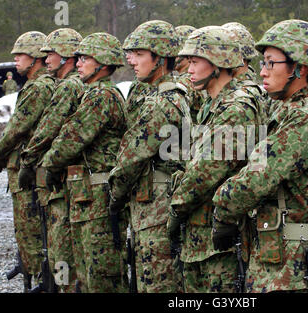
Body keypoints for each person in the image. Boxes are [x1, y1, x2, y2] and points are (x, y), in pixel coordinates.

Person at [211, 19, 308, 293]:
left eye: (272, 63)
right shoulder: (290, 110)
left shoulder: (305, 117)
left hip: (295, 265)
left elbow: (257, 178)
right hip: (283, 259)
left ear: (299, 67)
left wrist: (222, 206)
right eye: (263, 63)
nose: (263, 72)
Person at [167, 25, 262, 293]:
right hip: (200, 236)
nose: (189, 69)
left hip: (220, 241)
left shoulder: (236, 108)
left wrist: (175, 209)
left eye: (196, 62)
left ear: (219, 63)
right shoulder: (213, 104)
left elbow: (205, 173)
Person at [40, 32, 128, 293]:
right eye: (77, 58)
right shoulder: (94, 93)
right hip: (88, 195)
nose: (77, 63)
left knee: (101, 275)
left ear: (102, 62)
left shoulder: (102, 96)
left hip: (99, 197)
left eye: (85, 58)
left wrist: (48, 166)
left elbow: (71, 138)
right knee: (88, 273)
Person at [108, 20, 190, 293]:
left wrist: (115, 195)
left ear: (160, 58)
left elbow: (132, 156)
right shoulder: (168, 95)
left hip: (157, 209)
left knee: (157, 284)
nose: (132, 61)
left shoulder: (164, 102)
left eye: (140, 54)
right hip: (154, 205)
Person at [18, 28, 84, 293]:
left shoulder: (69, 85)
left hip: (62, 178)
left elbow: (47, 129)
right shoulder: (74, 84)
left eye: (51, 54)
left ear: (67, 55)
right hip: (71, 177)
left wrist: (28, 162)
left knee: (61, 249)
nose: (46, 60)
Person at [0, 31, 55, 290]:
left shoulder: (39, 87)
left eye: (21, 54)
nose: (15, 59)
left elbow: (17, 128)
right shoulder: (36, 85)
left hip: (30, 171)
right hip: (29, 169)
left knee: (32, 235)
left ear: (37, 57)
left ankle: (40, 281)